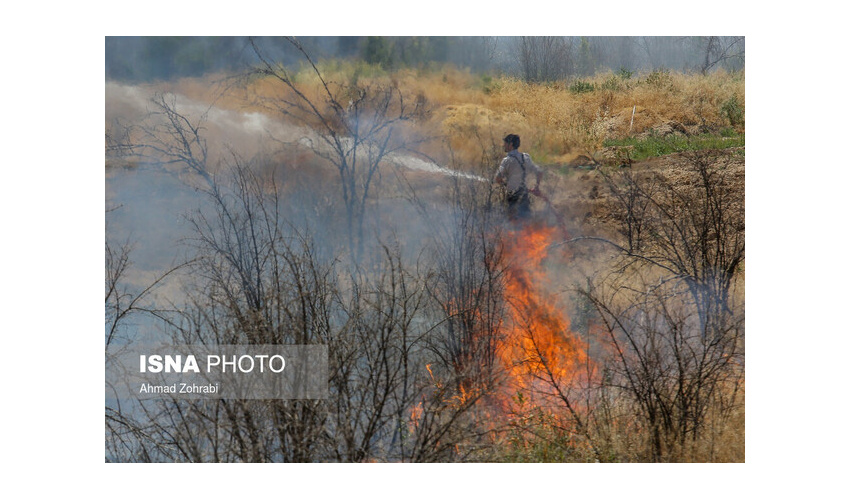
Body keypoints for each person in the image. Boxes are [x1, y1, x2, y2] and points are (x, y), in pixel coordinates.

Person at [493, 134, 542, 219]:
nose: (503, 145)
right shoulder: (525, 157)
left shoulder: (506, 161)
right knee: (526, 222)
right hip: (524, 196)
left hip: (512, 198)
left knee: (513, 225)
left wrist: (504, 183)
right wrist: (537, 187)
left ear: (510, 144)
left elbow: (498, 178)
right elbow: (539, 172)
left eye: (505, 143)